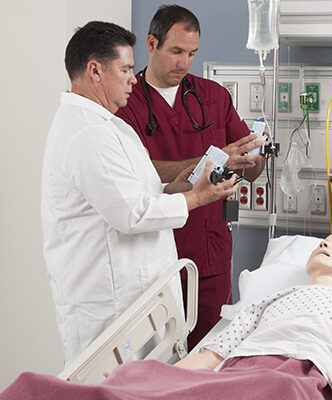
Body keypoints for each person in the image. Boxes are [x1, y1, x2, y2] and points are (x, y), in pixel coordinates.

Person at [41, 21, 237, 365]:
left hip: (137, 303)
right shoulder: (87, 133)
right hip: (109, 307)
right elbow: (130, 213)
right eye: (126, 69)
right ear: (95, 71)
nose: (134, 77)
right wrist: (196, 199)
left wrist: (171, 188)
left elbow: (127, 193)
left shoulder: (105, 125)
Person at [0, 233, 332, 400]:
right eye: (324, 241)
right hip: (239, 372)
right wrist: (153, 380)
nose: (325, 243)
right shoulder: (270, 299)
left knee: (280, 392)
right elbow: (211, 356)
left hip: (297, 375)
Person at [115, 4, 266, 350]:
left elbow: (252, 170)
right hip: (151, 256)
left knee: (208, 353)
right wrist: (210, 159)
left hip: (208, 253)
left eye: (192, 54)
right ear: (151, 45)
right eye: (176, 52)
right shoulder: (126, 102)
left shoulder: (214, 97)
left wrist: (253, 156)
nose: (184, 63)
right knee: (155, 359)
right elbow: (135, 171)